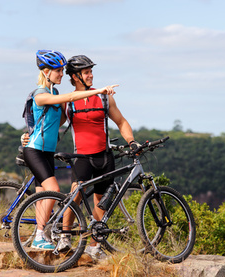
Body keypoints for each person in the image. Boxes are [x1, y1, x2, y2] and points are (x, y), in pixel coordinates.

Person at [22, 54, 139, 259]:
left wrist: (131, 141)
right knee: (74, 196)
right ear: (76, 77)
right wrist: (29, 136)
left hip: (104, 156)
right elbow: (50, 124)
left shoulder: (104, 97)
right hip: (82, 157)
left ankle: (94, 246)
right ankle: (65, 237)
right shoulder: (68, 103)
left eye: (91, 71)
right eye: (87, 72)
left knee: (101, 201)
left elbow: (121, 122)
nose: (91, 75)